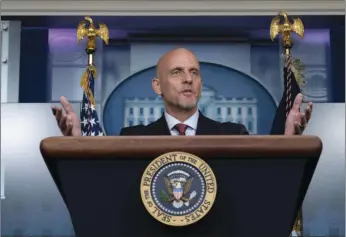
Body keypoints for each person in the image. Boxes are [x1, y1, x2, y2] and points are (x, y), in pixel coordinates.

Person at [52, 48, 312, 137]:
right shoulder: (133, 138)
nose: (188, 79)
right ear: (157, 86)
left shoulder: (233, 134)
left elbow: (262, 189)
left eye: (194, 73)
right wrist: (78, 144)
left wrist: (288, 141)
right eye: (177, 72)